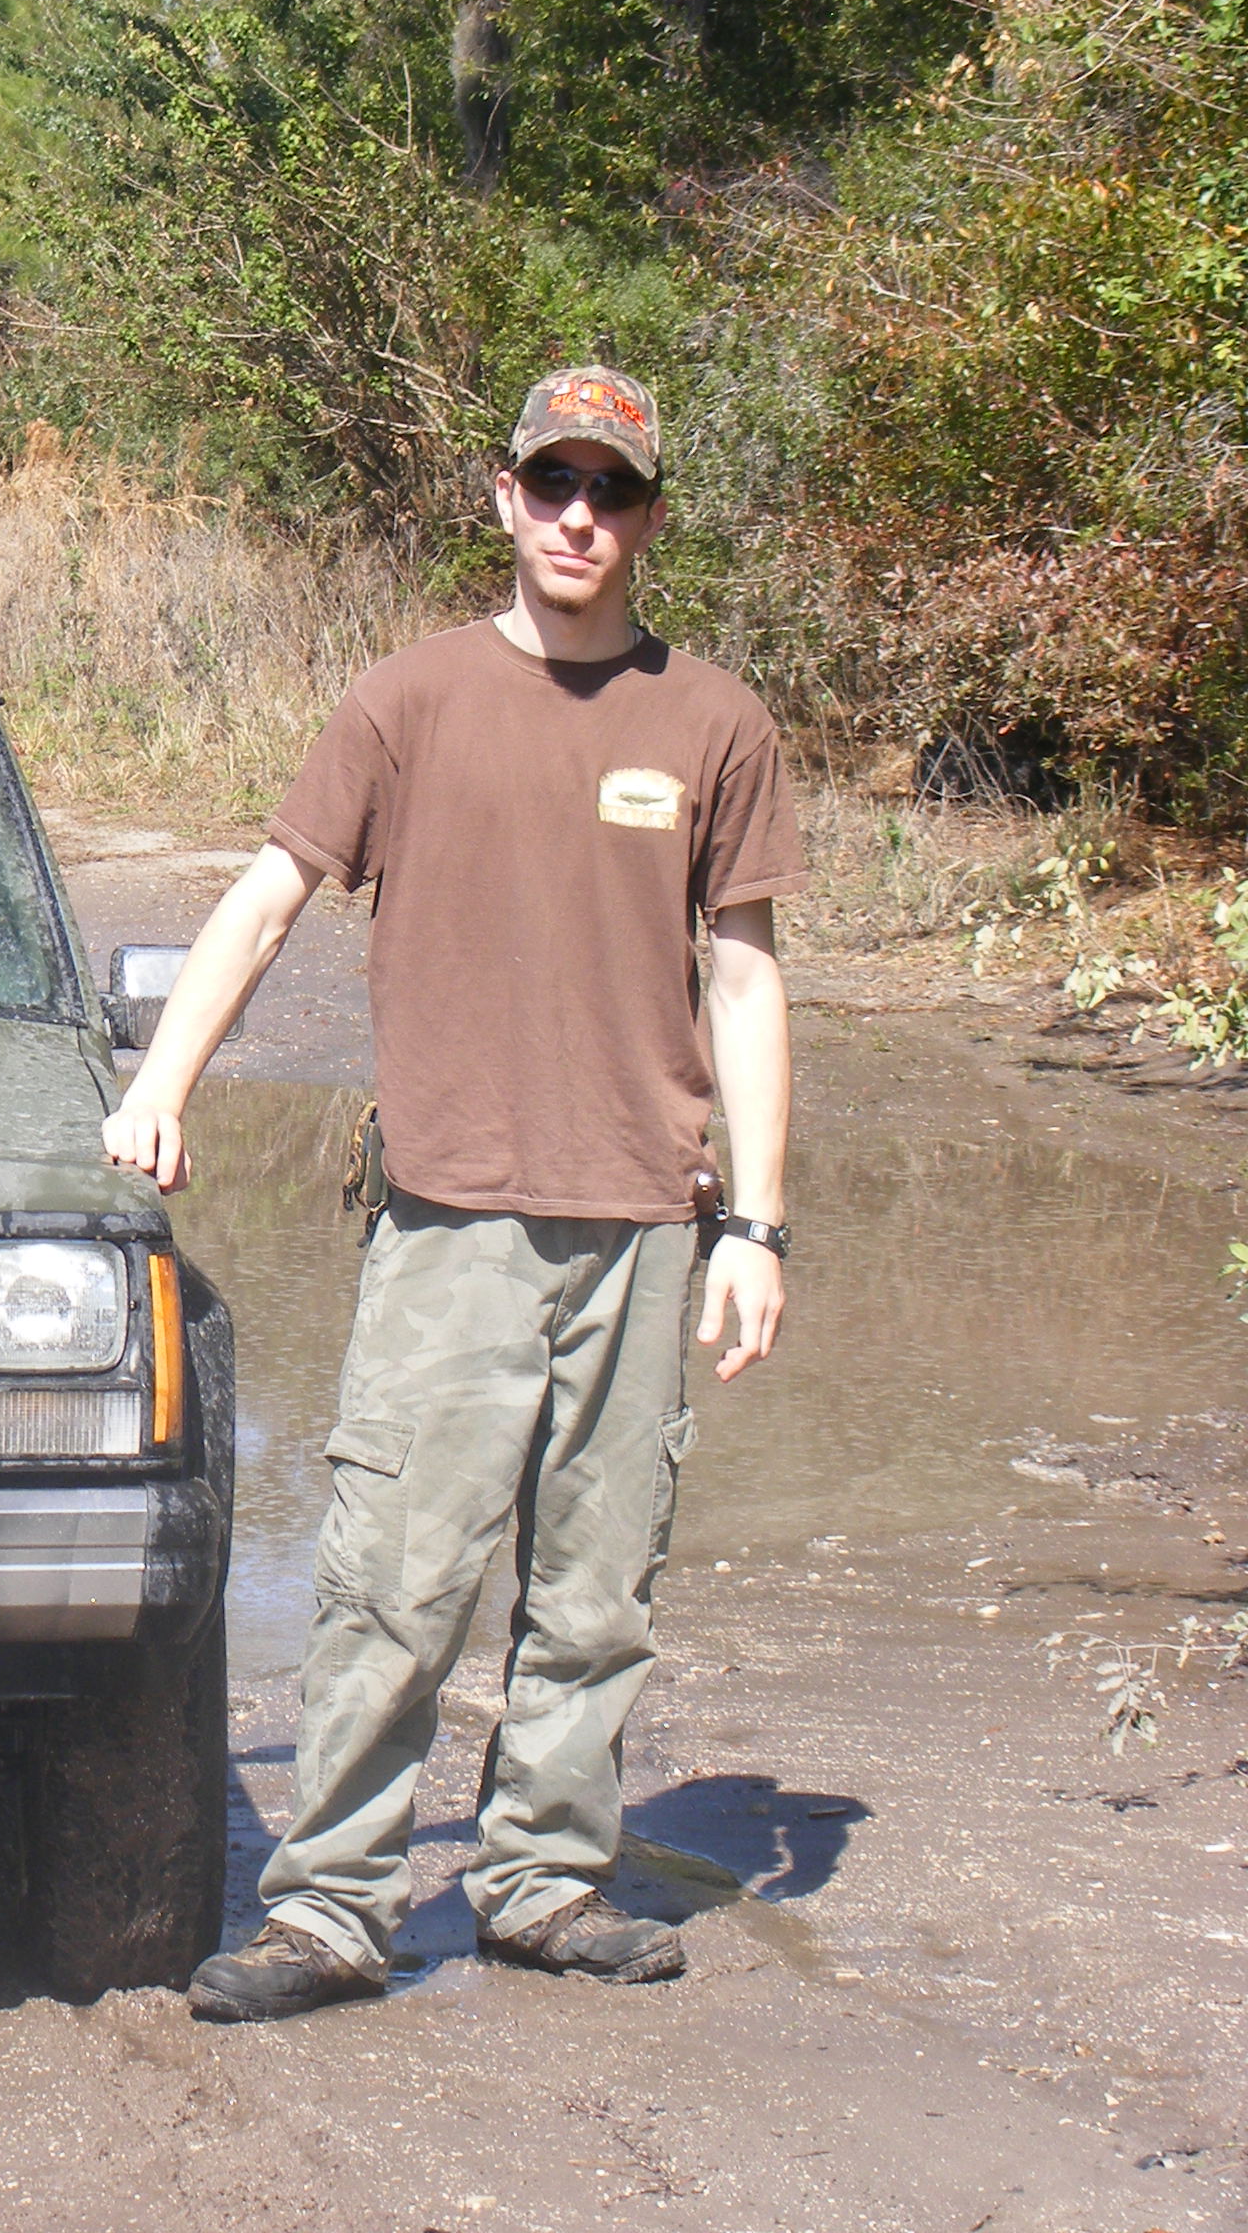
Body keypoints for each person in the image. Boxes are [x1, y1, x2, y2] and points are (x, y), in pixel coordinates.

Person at [103, 366, 804, 2022]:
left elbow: (753, 981)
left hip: (643, 1220)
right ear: (501, 498)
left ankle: (546, 1882)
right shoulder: (405, 704)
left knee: (597, 1584)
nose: (580, 516)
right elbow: (268, 898)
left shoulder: (713, 723)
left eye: (612, 491)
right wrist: (159, 1084)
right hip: (451, 1219)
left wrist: (757, 1227)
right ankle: (334, 1908)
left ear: (647, 518)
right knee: (397, 1577)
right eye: (553, 483)